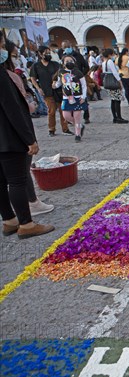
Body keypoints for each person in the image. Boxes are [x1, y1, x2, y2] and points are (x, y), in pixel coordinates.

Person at [1, 30, 55, 239]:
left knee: (1, 181)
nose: (4, 50)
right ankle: (26, 223)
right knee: (16, 180)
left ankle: (9, 220)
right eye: (3, 45)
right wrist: (28, 139)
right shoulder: (2, 76)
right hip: (9, 137)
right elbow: (13, 109)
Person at [30, 45, 71, 136]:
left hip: (58, 90)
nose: (48, 55)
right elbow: (33, 78)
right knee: (51, 111)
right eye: (46, 53)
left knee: (62, 110)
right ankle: (51, 129)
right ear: (40, 54)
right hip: (46, 91)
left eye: (49, 53)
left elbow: (62, 74)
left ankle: (65, 128)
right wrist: (38, 88)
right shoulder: (36, 66)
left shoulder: (55, 64)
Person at [55, 54, 88, 142]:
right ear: (63, 63)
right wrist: (55, 85)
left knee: (77, 116)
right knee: (66, 115)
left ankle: (78, 134)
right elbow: (59, 82)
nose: (69, 63)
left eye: (71, 61)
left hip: (78, 97)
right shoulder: (61, 72)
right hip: (66, 98)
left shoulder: (78, 72)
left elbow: (84, 85)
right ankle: (79, 126)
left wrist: (83, 96)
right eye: (67, 61)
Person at [102, 48, 128, 124]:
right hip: (113, 81)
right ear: (110, 55)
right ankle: (119, 117)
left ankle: (115, 117)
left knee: (113, 100)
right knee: (117, 100)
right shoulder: (110, 62)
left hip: (108, 81)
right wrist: (120, 81)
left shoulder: (104, 62)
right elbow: (114, 72)